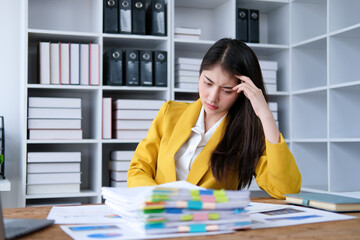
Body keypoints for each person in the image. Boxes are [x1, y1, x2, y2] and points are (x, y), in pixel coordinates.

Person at [127, 38, 301, 199]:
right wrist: (161, 199)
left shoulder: (247, 134)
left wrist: (265, 113)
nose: (212, 97)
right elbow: (138, 169)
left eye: (226, 90)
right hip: (159, 215)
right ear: (200, 75)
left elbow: (286, 190)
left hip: (210, 224)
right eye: (208, 83)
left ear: (243, 92)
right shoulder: (169, 113)